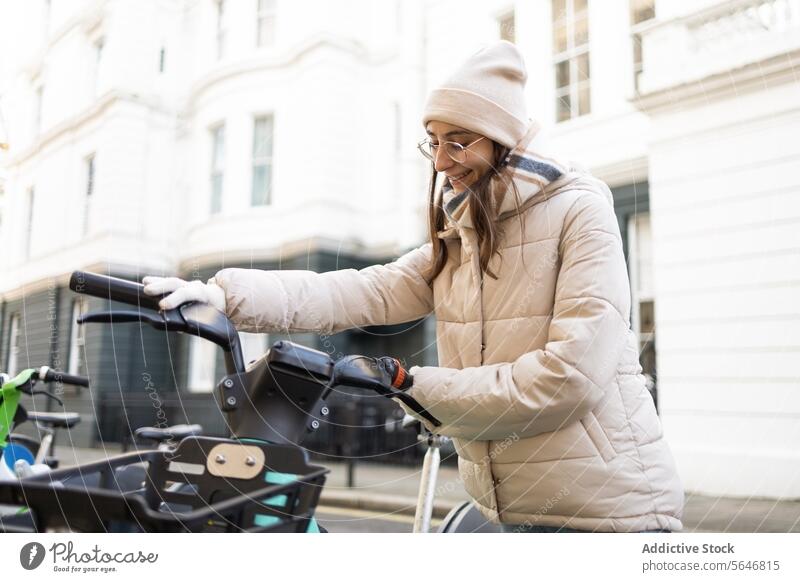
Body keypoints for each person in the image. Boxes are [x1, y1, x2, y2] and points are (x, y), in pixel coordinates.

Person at [143, 41, 683, 533]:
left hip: (613, 512)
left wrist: (408, 381)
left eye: (458, 142)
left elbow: (568, 379)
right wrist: (221, 295)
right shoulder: (464, 233)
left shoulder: (579, 210)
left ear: (501, 139)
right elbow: (361, 290)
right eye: (434, 144)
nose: (443, 163)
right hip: (511, 512)